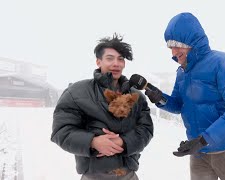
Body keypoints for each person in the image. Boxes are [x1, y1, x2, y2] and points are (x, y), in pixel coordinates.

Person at [145, 12, 225, 180]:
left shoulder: (223, 64)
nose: (173, 52)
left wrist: (204, 139)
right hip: (199, 153)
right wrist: (159, 97)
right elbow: (179, 105)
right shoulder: (182, 72)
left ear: (192, 42)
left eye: (177, 45)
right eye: (170, 47)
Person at [51, 34, 153, 180]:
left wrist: (123, 142)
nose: (116, 63)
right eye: (110, 58)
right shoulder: (76, 91)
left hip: (128, 173)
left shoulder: (137, 97)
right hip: (93, 174)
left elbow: (146, 130)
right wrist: (92, 141)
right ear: (98, 61)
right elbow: (61, 132)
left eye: (120, 59)